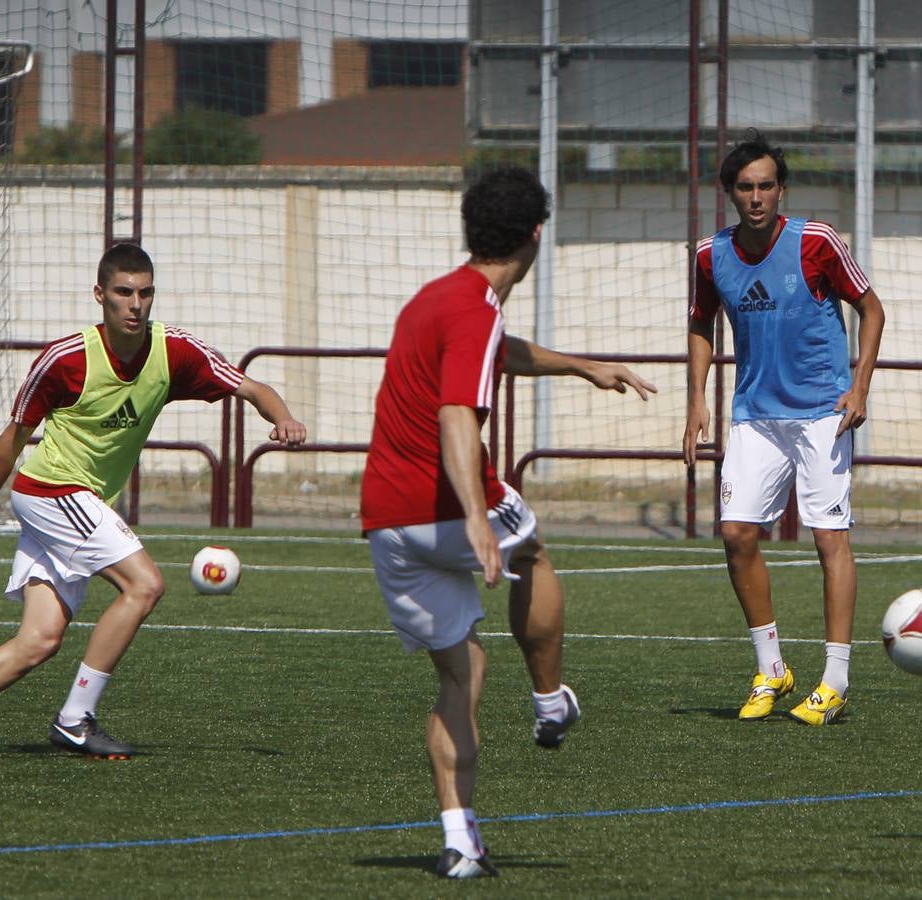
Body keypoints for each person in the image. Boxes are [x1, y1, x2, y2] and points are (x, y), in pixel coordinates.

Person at [0, 242, 308, 760]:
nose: (136, 304)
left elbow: (252, 387)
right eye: (123, 293)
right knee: (145, 584)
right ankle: (75, 720)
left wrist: (281, 417)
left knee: (38, 642)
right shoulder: (66, 359)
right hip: (52, 490)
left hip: (75, 502)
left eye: (145, 293)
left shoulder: (173, 351)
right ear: (99, 295)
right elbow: (9, 446)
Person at [360, 167, 656, 880]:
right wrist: (477, 520)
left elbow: (495, 354)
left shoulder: (440, 300)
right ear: (536, 235)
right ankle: (552, 704)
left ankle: (461, 843)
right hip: (443, 508)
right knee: (535, 552)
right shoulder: (477, 309)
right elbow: (458, 412)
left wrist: (581, 366)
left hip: (386, 522)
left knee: (464, 676)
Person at [683, 130, 886, 727]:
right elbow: (701, 324)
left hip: (824, 413)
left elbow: (870, 308)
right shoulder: (708, 255)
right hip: (754, 415)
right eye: (745, 187)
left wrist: (860, 386)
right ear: (729, 193)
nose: (756, 197)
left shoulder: (816, 242)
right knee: (737, 534)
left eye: (766, 185)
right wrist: (696, 399)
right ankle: (772, 669)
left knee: (829, 541)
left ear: (781, 189)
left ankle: (836, 681)